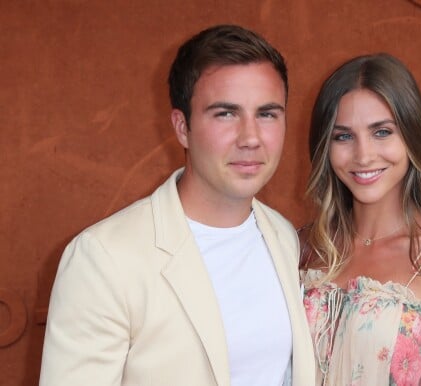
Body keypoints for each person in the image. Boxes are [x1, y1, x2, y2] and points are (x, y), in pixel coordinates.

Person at [39, 24, 315, 386]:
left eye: (267, 113)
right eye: (225, 113)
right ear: (182, 127)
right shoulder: (103, 259)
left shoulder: (282, 234)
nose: (250, 138)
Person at [300, 53, 421, 385]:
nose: (363, 155)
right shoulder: (302, 247)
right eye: (343, 136)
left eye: (382, 132)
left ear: (412, 136)